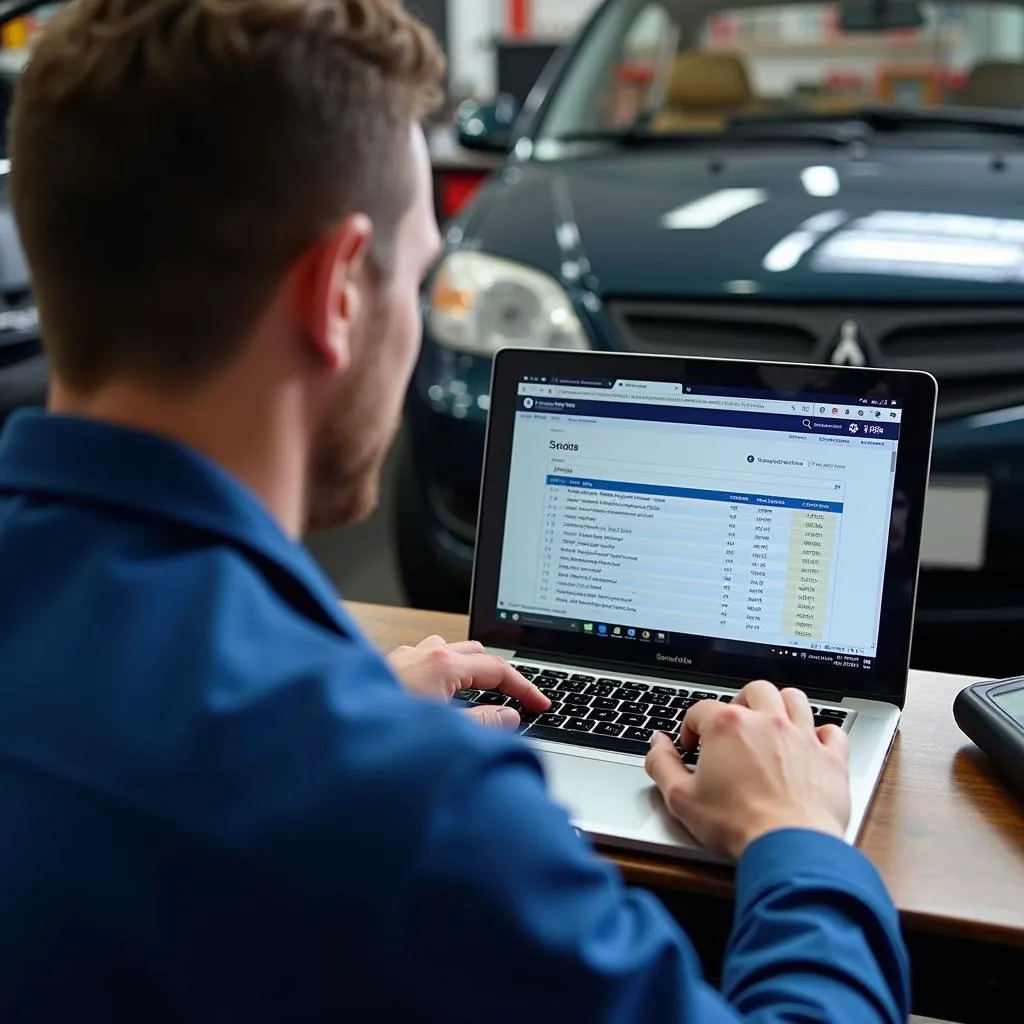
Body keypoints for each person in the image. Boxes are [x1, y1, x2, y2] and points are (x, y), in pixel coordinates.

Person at [0, 0, 909, 1019]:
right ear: (340, 291)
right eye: (421, 271)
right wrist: (797, 840)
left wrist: (340, 698)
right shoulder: (406, 806)